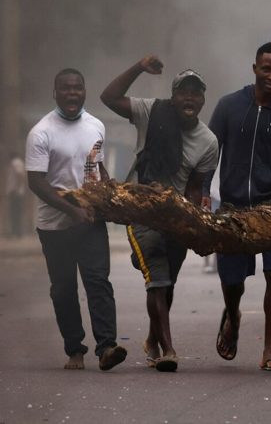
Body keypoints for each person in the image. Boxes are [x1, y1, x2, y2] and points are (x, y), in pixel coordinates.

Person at [101, 56, 219, 372]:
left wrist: (196, 222)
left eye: (196, 93)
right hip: (141, 208)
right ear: (173, 96)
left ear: (203, 99)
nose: (190, 98)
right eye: (184, 92)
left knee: (168, 281)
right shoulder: (151, 112)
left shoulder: (208, 141)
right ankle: (167, 349)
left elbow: (196, 188)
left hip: (176, 216)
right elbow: (108, 98)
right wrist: (138, 66)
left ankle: (153, 339)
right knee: (158, 273)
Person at [207, 42, 271, 372]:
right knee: (232, 277)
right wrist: (203, 192)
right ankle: (232, 315)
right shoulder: (229, 106)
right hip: (233, 205)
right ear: (254, 68)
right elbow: (209, 151)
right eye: (266, 68)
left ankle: (270, 350)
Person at [25, 68, 127, 371]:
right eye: (65, 88)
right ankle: (75, 350)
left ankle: (107, 347)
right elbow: (36, 182)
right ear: (55, 93)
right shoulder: (41, 132)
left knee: (98, 282)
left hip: (91, 220)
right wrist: (72, 211)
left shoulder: (95, 125)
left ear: (84, 91)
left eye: (77, 88)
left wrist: (111, 193)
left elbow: (96, 165)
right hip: (55, 226)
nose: (72, 93)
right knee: (64, 288)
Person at [5, 153, 26, 237]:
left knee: (14, 212)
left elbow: (20, 175)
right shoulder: (19, 162)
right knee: (16, 212)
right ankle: (16, 232)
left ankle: (16, 232)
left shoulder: (15, 162)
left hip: (15, 192)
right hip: (17, 192)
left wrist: (16, 189)